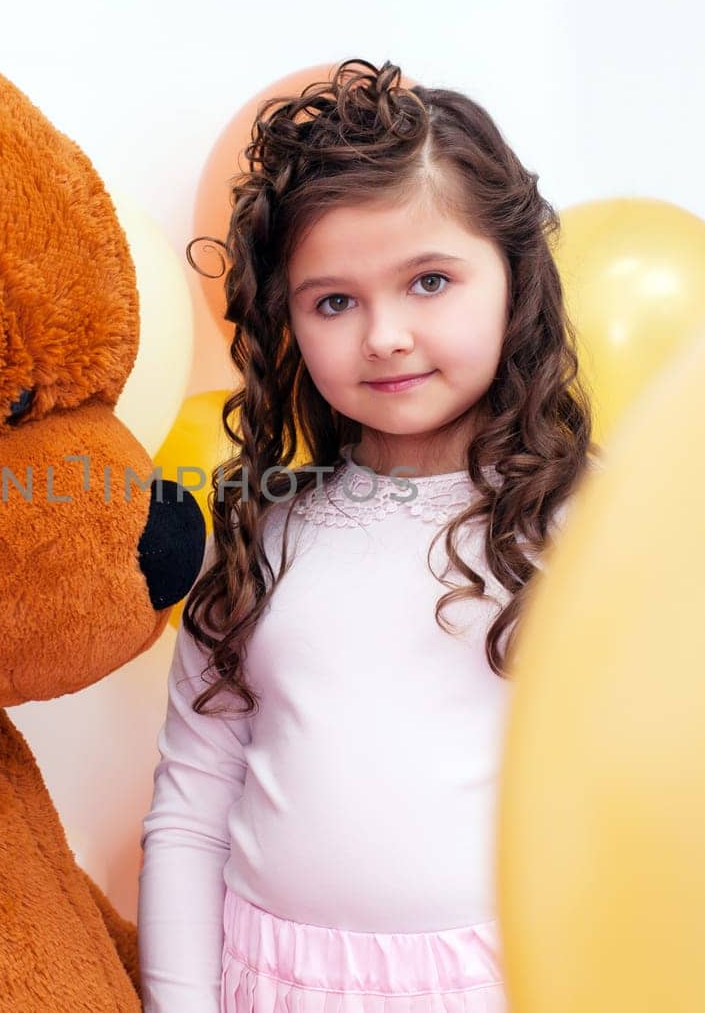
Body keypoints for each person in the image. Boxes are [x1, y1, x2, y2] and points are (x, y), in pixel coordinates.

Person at [137, 59, 594, 1012]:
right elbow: (191, 811)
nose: (383, 334)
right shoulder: (265, 530)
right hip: (268, 984)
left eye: (429, 280)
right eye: (334, 301)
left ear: (516, 282)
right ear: (288, 322)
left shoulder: (589, 523)